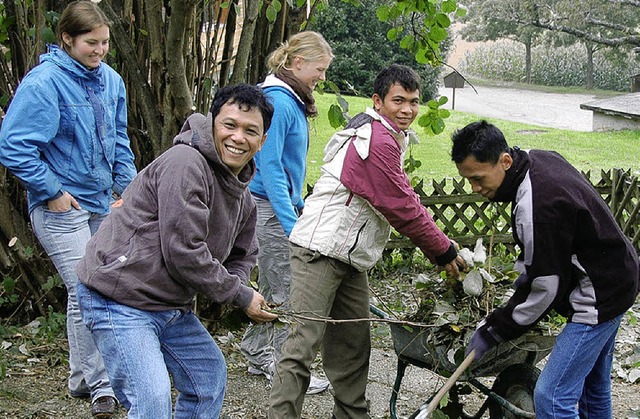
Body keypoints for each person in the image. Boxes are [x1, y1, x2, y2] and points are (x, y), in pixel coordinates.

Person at [268, 64, 465, 418]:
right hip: (319, 249)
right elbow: (400, 205)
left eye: (414, 102)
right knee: (302, 345)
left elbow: (403, 196)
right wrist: (443, 250)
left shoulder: (388, 135)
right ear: (378, 101)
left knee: (353, 347)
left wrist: (442, 243)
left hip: (349, 256)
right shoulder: (375, 139)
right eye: (398, 101)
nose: (407, 109)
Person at [75, 83, 278, 418]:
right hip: (120, 296)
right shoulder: (186, 162)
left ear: (263, 141)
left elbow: (244, 255)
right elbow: (183, 252)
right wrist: (240, 295)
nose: (238, 137)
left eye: (250, 131)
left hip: (167, 304)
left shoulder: (242, 195)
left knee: (207, 380)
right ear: (213, 122)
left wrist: (237, 282)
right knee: (152, 400)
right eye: (229, 125)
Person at [0, 2, 137, 417]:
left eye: (105, 42)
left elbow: (120, 140)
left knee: (96, 287)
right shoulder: (44, 83)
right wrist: (51, 190)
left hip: (101, 203)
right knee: (87, 288)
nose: (100, 50)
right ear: (66, 39)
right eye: (91, 43)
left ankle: (81, 377)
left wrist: (127, 191)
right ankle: (102, 385)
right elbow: (14, 146)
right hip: (60, 207)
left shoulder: (112, 80)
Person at [452, 120, 640, 418]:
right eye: (468, 180)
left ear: (505, 160)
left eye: (478, 178)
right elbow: (546, 259)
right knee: (593, 388)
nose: (475, 188)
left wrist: (493, 329)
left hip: (599, 295)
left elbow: (544, 288)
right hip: (621, 274)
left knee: (551, 396)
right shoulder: (536, 157)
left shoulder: (536, 207)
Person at [240, 30, 333, 394]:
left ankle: (254, 350)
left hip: (280, 206)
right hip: (268, 208)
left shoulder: (292, 98)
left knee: (272, 285)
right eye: (319, 69)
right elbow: (270, 166)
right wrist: (290, 219)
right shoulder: (278, 101)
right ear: (298, 63)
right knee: (285, 289)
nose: (321, 77)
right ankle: (284, 368)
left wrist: (298, 204)